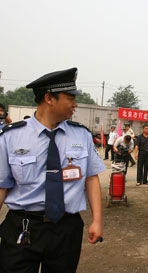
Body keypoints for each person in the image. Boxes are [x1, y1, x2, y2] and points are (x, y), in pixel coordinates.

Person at [0, 67, 105, 273]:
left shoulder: (81, 135)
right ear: (49, 98)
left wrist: (97, 221)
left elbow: (91, 179)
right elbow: (1, 186)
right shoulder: (10, 137)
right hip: (23, 227)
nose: (75, 104)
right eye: (70, 98)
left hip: (66, 229)